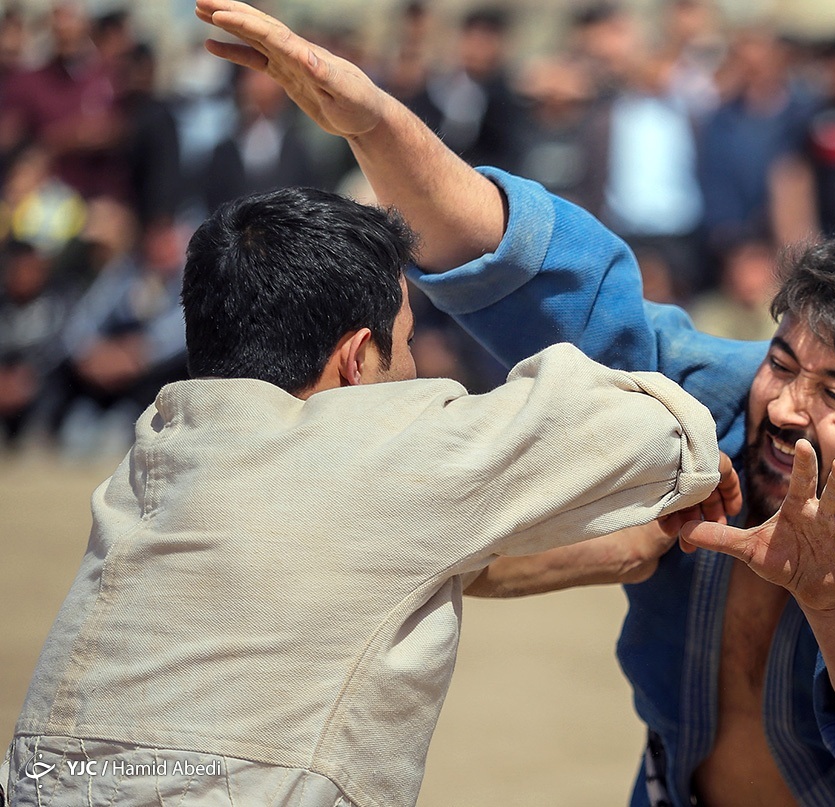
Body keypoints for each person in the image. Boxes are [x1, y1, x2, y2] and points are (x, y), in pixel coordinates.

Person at [188, 4, 835, 806]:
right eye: (783, 362)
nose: (788, 407)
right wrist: (378, 123)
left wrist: (832, 594)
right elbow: (545, 281)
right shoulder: (710, 398)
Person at [1, 182, 745, 806]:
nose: (417, 364)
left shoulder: (163, 445)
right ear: (358, 359)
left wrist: (627, 549)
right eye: (411, 339)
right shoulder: (388, 452)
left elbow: (424, 560)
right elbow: (662, 420)